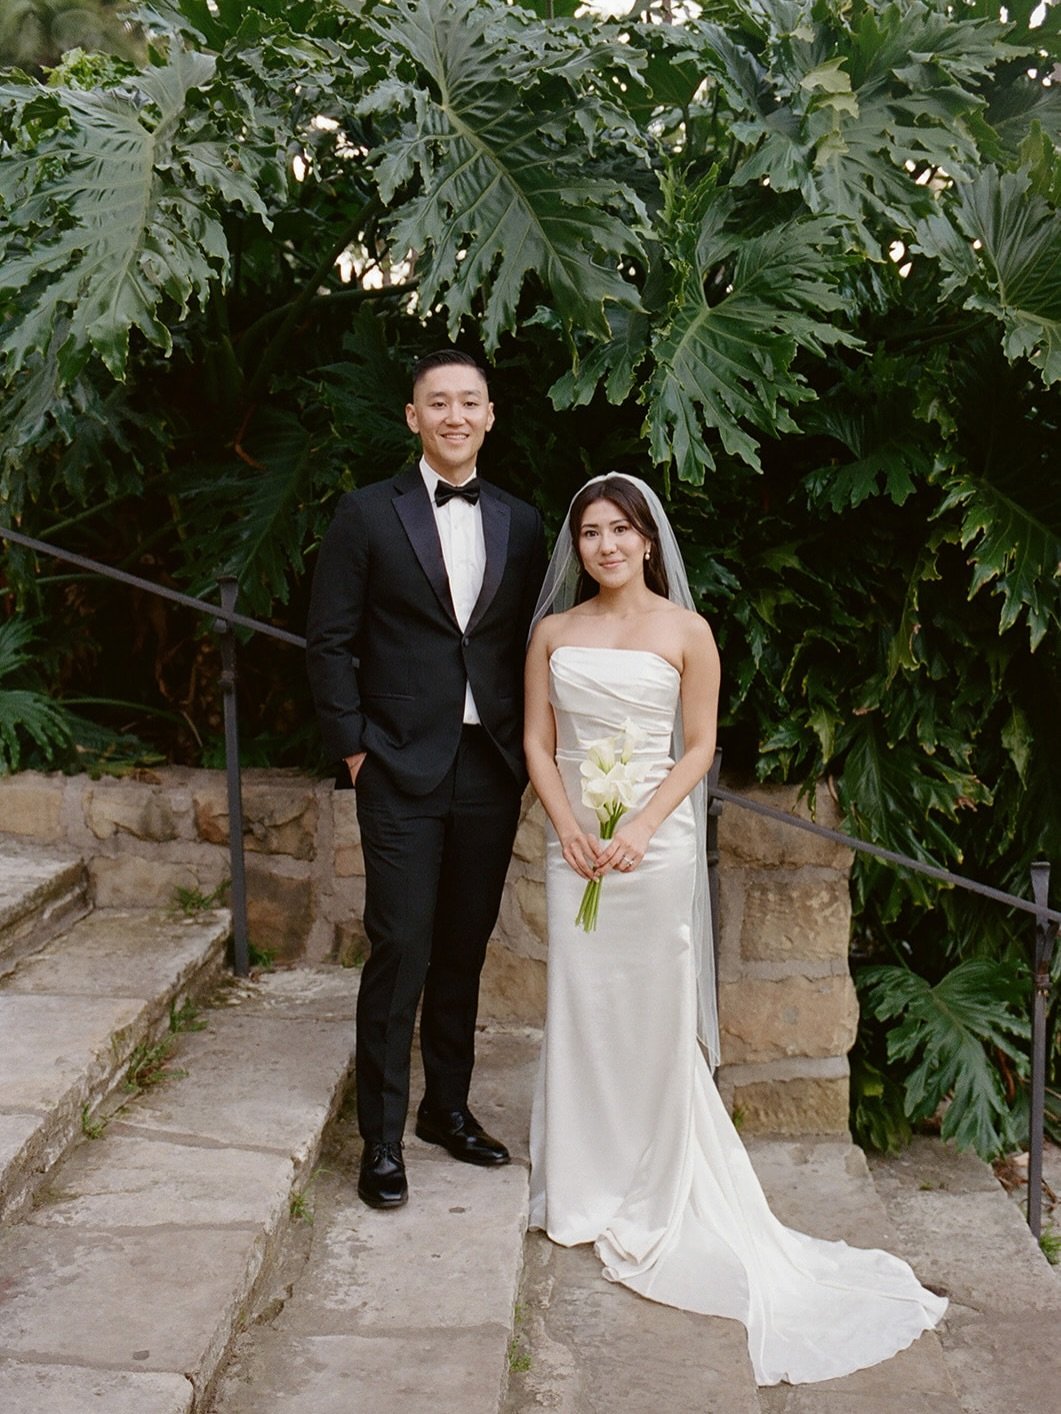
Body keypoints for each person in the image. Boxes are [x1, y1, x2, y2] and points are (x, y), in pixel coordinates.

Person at [523, 473, 947, 1386]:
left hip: (652, 843)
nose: (604, 546)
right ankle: (582, 1184)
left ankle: (652, 1184)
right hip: (575, 843)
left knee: (651, 1011)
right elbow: (535, 741)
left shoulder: (688, 631)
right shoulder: (552, 633)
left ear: (647, 540)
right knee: (582, 1004)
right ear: (576, 546)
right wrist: (568, 827)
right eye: (589, 532)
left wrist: (640, 826)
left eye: (620, 530)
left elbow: (699, 746)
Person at [306, 349, 545, 1210]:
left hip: (489, 768)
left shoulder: (522, 522)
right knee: (401, 943)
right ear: (413, 417)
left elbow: (527, 642)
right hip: (397, 763)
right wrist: (355, 750)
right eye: (437, 403)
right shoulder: (366, 513)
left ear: (489, 416)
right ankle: (380, 1140)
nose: (453, 416)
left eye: (468, 402)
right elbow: (329, 639)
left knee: (463, 948)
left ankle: (446, 1109)